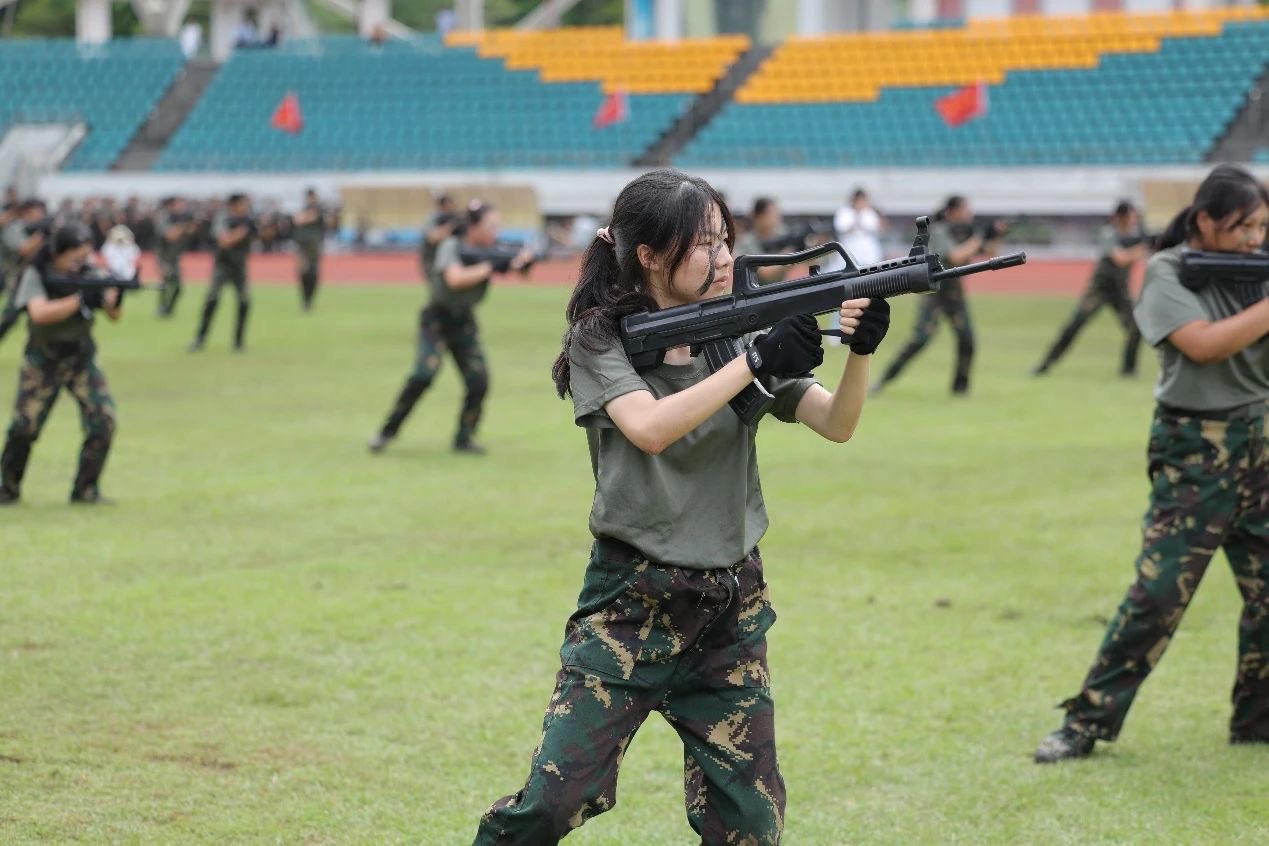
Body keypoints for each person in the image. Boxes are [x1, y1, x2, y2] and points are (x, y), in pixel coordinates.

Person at [471, 169, 892, 844]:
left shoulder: (738, 332)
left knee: (750, 827)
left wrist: (859, 352)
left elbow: (835, 423)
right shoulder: (600, 338)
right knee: (551, 805)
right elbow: (650, 428)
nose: (724, 257)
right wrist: (755, 360)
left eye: (726, 240)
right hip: (631, 609)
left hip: (727, 609)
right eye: (704, 244)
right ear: (648, 255)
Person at [1034, 164, 1269, 763]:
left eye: (1263, 227)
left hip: (1260, 441)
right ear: (1205, 221)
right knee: (1160, 595)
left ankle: (1257, 720)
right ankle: (1085, 722)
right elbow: (1205, 345)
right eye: (1244, 226)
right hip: (1195, 451)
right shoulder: (1167, 271)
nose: (1254, 239)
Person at [369, 201, 532, 455]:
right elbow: (454, 279)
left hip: (463, 322)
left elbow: (522, 274)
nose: (495, 232)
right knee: (423, 375)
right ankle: (386, 432)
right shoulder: (452, 246)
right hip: (437, 320)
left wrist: (522, 263)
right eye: (491, 226)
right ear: (474, 226)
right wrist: (491, 267)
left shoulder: (494, 249)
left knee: (479, 380)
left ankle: (464, 437)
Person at [0, 223, 121, 505]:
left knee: (103, 421)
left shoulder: (90, 273)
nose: (82, 262)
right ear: (58, 253)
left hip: (81, 357)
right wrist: (80, 301)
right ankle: (7, 489)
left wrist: (114, 294)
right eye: (76, 257)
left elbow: (114, 315)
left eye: (85, 256)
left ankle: (86, 490)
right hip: (44, 360)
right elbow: (40, 313)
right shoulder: (36, 273)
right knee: (24, 427)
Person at [870, 195, 1006, 396]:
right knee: (920, 340)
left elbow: (991, 252)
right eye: (965, 209)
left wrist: (995, 235)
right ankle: (884, 378)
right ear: (953, 211)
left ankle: (960, 388)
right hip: (935, 293)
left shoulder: (967, 232)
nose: (970, 214)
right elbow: (955, 256)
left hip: (955, 294)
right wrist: (979, 238)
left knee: (967, 339)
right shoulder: (939, 230)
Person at [1033, 201, 1150, 377]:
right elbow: (1120, 259)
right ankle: (1045, 365)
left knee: (1136, 327)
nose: (1134, 220)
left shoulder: (1135, 235)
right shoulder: (1108, 233)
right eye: (1131, 216)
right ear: (1121, 217)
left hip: (1120, 291)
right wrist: (1140, 249)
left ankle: (1128, 369)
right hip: (1099, 290)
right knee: (1074, 325)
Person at [189, 194, 253, 352]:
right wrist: (240, 233)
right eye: (243, 204)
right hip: (222, 267)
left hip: (239, 267)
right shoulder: (223, 218)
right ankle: (200, 338)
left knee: (244, 302)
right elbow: (223, 240)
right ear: (234, 205)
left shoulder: (249, 220)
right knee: (212, 300)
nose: (246, 207)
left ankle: (238, 341)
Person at [0, 199, 50, 345]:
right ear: (28, 211)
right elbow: (24, 249)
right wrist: (41, 234)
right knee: (9, 318)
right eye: (38, 212)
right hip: (18, 281)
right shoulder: (14, 227)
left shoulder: (35, 229)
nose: (41, 215)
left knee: (42, 318)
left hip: (37, 279)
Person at [154, 197, 195, 318]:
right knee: (166, 281)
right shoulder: (164, 218)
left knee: (178, 286)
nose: (181, 207)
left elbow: (192, 231)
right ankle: (161, 307)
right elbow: (170, 236)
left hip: (175, 256)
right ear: (171, 206)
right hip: (164, 256)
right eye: (179, 204)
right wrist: (183, 226)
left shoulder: (182, 219)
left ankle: (169, 309)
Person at [292, 188, 327, 311]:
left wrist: (305, 217)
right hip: (302, 246)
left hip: (314, 247)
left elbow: (305, 219)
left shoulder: (320, 209)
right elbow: (297, 219)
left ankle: (309, 300)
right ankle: (305, 300)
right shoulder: (303, 209)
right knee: (303, 272)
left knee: (313, 274)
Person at [834, 188, 884, 267]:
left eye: (862, 200)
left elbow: (877, 229)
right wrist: (857, 214)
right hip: (849, 249)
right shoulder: (844, 212)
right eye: (858, 200)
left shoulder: (870, 212)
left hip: (868, 252)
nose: (860, 202)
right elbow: (840, 228)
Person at [419, 194, 458, 278]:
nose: (452, 208)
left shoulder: (455, 217)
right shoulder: (433, 218)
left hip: (448, 259)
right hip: (432, 260)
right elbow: (432, 238)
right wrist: (449, 227)